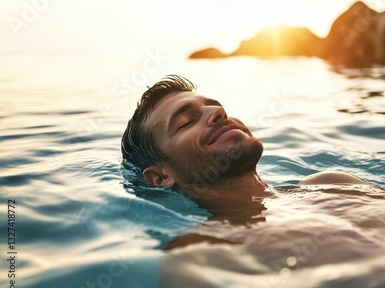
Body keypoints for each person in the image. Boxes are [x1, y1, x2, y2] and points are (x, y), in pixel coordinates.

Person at [122, 75, 369, 246]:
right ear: (161, 177)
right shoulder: (200, 252)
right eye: (187, 121)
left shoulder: (336, 186)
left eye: (216, 107)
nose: (218, 113)